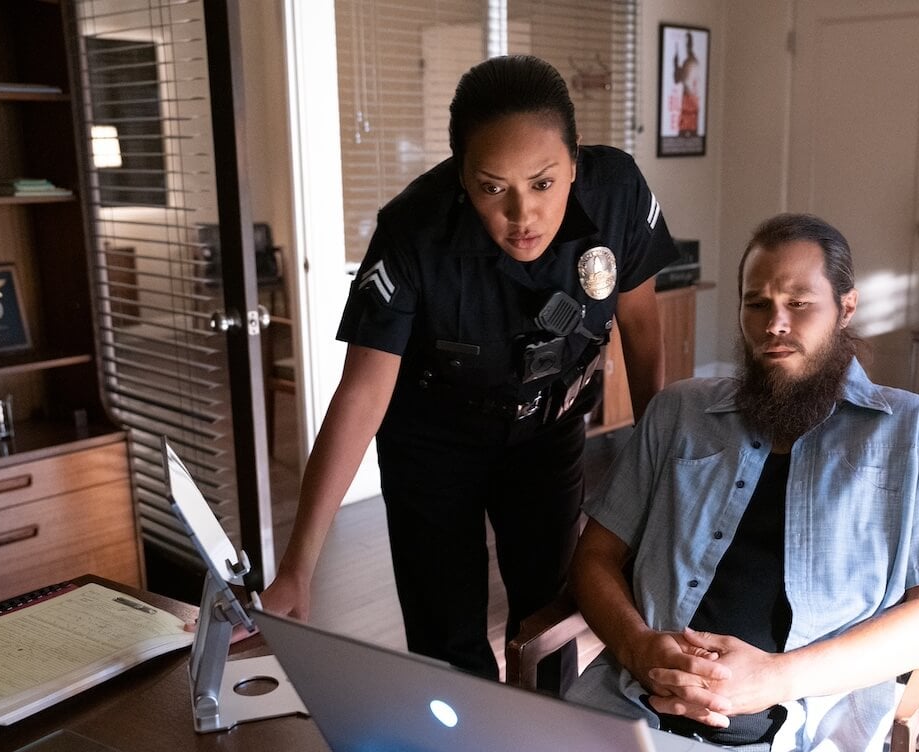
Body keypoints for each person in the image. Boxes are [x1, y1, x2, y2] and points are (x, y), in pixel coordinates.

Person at [262, 55, 679, 691]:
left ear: (574, 160)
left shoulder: (618, 191)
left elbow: (643, 333)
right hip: (433, 443)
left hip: (548, 430)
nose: (522, 215)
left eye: (543, 183)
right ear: (462, 177)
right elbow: (363, 392)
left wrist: (658, 485)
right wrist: (299, 564)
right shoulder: (413, 231)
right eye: (492, 188)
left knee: (550, 615)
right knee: (445, 635)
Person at [565, 213, 919, 752]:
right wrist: (638, 648)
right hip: (633, 718)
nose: (776, 325)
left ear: (846, 308)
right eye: (757, 305)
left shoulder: (908, 433)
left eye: (800, 304)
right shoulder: (679, 413)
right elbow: (594, 558)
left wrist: (774, 679)